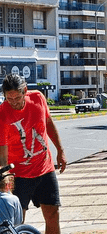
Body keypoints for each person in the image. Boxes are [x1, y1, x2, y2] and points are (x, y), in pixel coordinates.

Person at [0, 74, 67, 234]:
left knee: (52, 213)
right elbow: (2, 151)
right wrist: (4, 179)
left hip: (45, 168)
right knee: (16, 220)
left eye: (17, 97)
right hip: (18, 175)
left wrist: (60, 150)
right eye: (10, 98)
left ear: (25, 91)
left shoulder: (38, 98)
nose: (14, 102)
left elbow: (49, 123)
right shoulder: (2, 113)